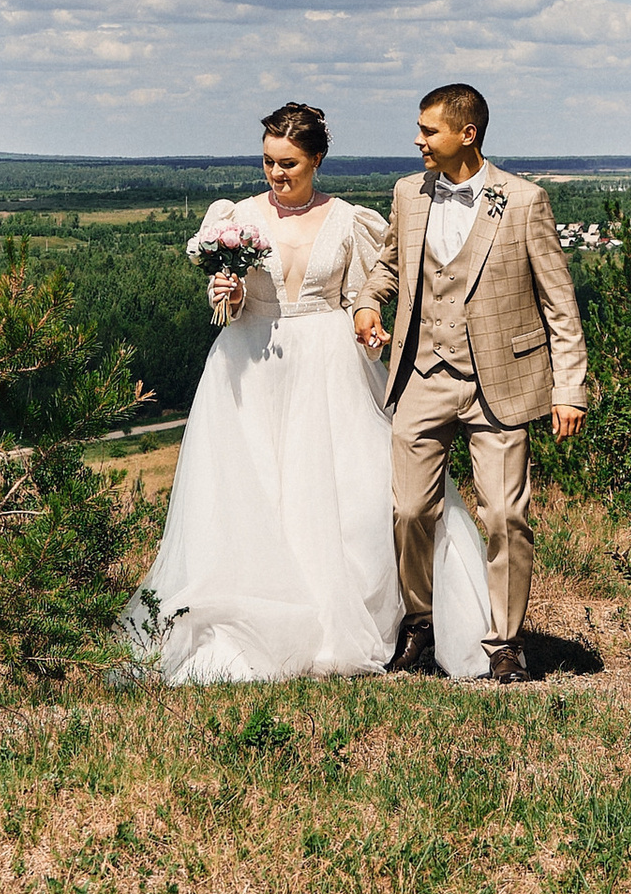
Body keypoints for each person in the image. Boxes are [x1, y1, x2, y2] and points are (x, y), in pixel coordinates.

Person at [122, 101, 492, 684]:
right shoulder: (234, 217)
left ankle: (368, 619)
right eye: (268, 162)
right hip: (250, 367)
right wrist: (229, 296)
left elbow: (361, 298)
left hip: (329, 367)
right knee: (255, 492)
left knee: (345, 497)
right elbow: (224, 307)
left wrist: (368, 327)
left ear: (317, 159)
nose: (276, 174)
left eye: (289, 162)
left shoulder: (349, 221)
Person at [355, 83, 589, 686]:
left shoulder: (524, 200)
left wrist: (569, 388)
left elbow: (559, 303)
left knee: (506, 515)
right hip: (421, 375)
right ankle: (419, 625)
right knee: (408, 509)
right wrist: (367, 305)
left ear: (468, 134)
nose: (417, 141)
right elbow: (388, 263)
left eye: (428, 130)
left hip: (501, 384)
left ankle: (505, 643)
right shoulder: (410, 193)